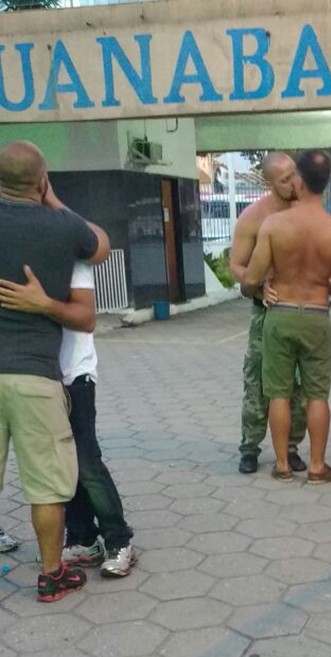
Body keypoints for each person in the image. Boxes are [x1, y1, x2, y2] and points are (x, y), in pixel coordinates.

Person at [0, 141, 110, 601]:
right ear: (41, 182)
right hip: (34, 375)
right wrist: (54, 201)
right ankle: (50, 575)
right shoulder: (62, 227)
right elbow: (101, 244)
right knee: (47, 482)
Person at [0, 262, 135, 577]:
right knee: (61, 467)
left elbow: (86, 318)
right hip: (35, 378)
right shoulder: (20, 255)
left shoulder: (69, 252)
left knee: (87, 464)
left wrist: (42, 303)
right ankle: (83, 538)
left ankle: (118, 539)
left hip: (74, 376)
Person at [242, 149, 331, 484]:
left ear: (300, 180)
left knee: (279, 393)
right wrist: (321, 279)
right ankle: (318, 466)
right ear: (327, 183)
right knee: (317, 395)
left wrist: (263, 287)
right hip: (317, 317)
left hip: (280, 316)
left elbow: (250, 280)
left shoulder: (274, 226)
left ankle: (282, 466)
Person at [229, 152, 307, 474]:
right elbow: (236, 265)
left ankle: (290, 446)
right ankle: (250, 446)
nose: (293, 183)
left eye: (294, 175)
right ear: (270, 183)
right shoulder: (253, 217)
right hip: (266, 311)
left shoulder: (306, 210)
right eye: (285, 179)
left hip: (303, 309)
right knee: (258, 380)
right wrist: (259, 286)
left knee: (300, 384)